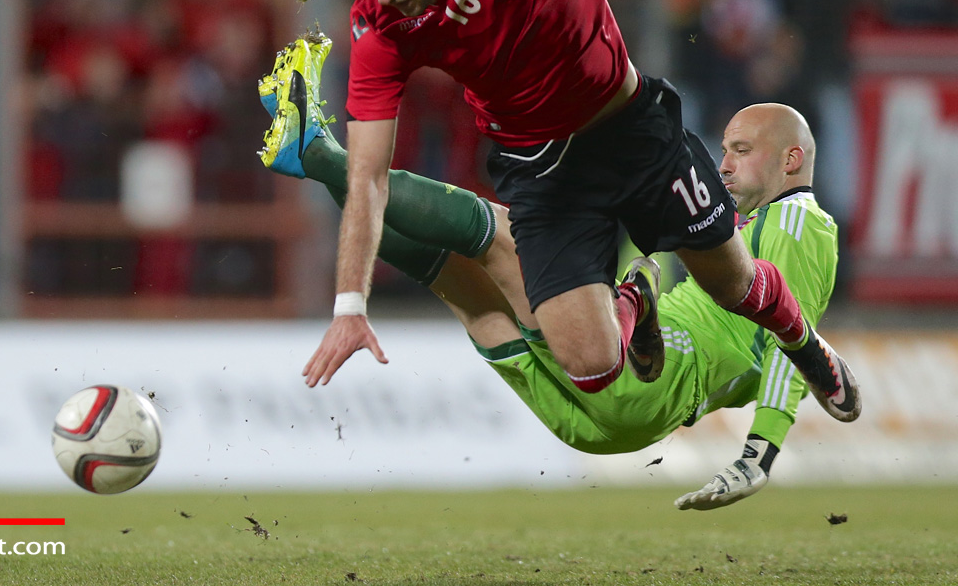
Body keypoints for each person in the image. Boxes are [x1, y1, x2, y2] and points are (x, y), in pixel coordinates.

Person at [263, 0, 858, 421]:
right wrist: (350, 306)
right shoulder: (380, 29)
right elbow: (367, 176)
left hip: (630, 129)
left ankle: (806, 348)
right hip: (542, 170)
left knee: (736, 286)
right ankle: (634, 301)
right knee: (592, 367)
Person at [258, 40, 842, 509]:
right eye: (725, 148)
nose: (724, 163)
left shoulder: (799, 219)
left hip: (651, 380)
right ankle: (314, 158)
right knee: (459, 281)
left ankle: (317, 156)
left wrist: (757, 456)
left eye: (741, 150)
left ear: (792, 159)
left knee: (501, 236)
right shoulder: (739, 226)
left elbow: (793, 344)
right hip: (608, 422)